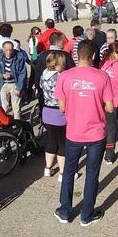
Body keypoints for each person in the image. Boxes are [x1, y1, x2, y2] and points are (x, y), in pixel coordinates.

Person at [53, 39, 114, 227]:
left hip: (74, 132)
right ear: (93, 55)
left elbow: (61, 107)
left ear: (76, 55)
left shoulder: (64, 76)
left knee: (69, 171)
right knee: (92, 174)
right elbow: (110, 108)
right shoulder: (102, 76)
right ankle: (86, 215)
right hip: (96, 133)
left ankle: (65, 211)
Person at [0, 82, 40, 155]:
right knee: (26, 125)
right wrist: (11, 117)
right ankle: (33, 148)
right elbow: (6, 121)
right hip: (0, 128)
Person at [39, 52, 74, 182]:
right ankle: (62, 172)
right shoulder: (60, 76)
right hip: (59, 113)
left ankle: (47, 168)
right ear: (57, 64)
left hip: (47, 111)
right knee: (62, 143)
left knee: (51, 141)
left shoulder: (44, 74)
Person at [34, 32, 75, 110]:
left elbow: (38, 74)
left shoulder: (42, 55)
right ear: (57, 42)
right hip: (63, 96)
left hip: (46, 95)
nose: (64, 42)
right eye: (62, 40)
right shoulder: (65, 55)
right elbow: (72, 73)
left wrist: (37, 87)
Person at [0, 41, 26, 119]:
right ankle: (5, 125)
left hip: (15, 84)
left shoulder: (19, 56)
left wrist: (19, 88)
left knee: (16, 107)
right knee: (4, 107)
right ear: (3, 49)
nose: (9, 52)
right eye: (6, 50)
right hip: (3, 83)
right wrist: (2, 75)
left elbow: (22, 73)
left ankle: (17, 124)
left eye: (11, 50)